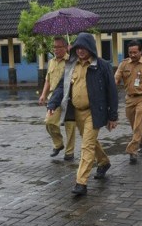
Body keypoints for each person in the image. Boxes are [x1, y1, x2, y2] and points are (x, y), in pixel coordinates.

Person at [47, 33, 118, 195]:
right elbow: (61, 87)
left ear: (91, 48)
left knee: (86, 145)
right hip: (76, 112)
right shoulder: (70, 65)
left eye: (83, 48)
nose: (80, 51)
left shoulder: (102, 66)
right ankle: (104, 162)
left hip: (94, 112)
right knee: (91, 141)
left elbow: (112, 91)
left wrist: (112, 115)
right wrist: (52, 103)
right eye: (78, 48)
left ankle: (81, 182)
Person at [114, 40, 142, 164]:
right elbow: (116, 79)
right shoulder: (123, 64)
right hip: (129, 98)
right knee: (134, 124)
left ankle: (132, 150)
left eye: (135, 52)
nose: (132, 55)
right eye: (130, 52)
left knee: (138, 121)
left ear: (141, 51)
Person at [39, 37, 76, 160]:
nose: (56, 49)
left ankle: (69, 152)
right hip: (54, 98)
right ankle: (58, 144)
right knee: (49, 122)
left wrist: (73, 53)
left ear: (65, 47)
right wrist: (43, 94)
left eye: (59, 47)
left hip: (69, 97)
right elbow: (47, 80)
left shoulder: (71, 60)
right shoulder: (51, 62)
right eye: (54, 47)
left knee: (70, 125)